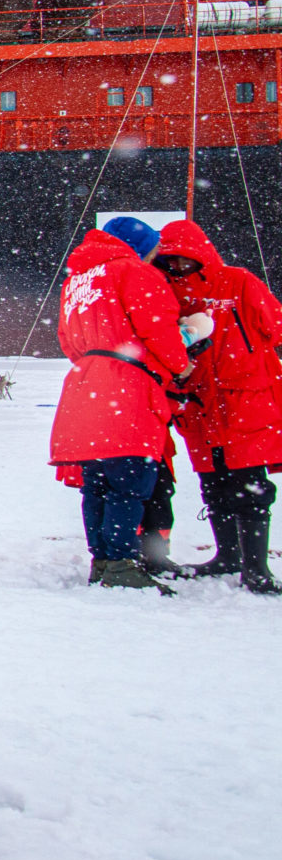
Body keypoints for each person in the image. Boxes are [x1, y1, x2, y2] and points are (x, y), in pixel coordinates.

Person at [51, 217, 193, 596]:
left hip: (86, 384)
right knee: (130, 481)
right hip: (128, 387)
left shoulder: (76, 280)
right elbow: (158, 329)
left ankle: (102, 561)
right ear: (139, 246)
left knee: (96, 483)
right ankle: (121, 564)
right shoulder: (134, 273)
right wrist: (182, 364)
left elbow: (67, 341)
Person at [152, 220, 279, 592]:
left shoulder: (239, 282)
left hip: (246, 399)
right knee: (214, 481)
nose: (176, 269)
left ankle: (257, 570)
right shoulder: (165, 292)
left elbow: (275, 325)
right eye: (169, 262)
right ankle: (228, 557)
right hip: (199, 403)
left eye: (182, 261)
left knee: (251, 484)